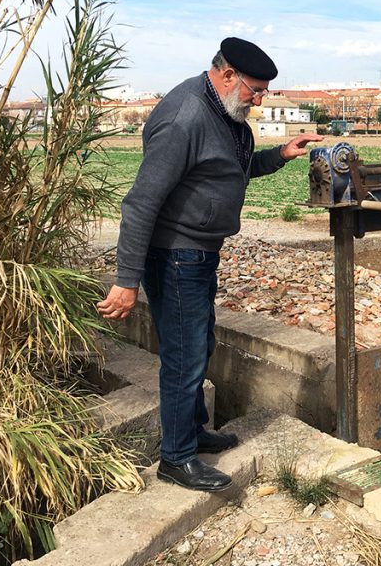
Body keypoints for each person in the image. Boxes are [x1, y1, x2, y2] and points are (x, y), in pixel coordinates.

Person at [97, 37, 322, 490]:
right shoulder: (187, 117)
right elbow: (140, 203)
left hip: (198, 253)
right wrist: (126, 281)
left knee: (198, 346)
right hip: (176, 254)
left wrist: (281, 154)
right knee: (184, 356)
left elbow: (230, 171)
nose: (258, 102)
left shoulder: (225, 113)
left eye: (263, 94)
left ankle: (193, 432)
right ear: (226, 75)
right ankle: (176, 458)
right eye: (254, 91)